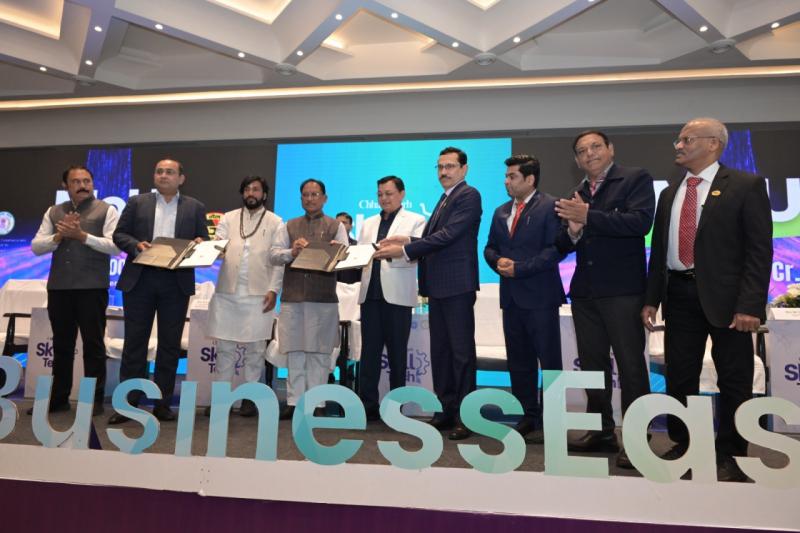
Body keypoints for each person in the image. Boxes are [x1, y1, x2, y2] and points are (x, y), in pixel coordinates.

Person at [642, 117, 772, 482]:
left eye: (687, 139)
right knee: (680, 376)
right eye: (679, 139)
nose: (678, 145)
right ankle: (685, 444)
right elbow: (660, 251)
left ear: (713, 143)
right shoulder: (670, 193)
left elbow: (759, 251)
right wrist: (652, 298)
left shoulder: (745, 185)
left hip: (729, 302)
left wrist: (750, 305)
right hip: (679, 295)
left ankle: (732, 452)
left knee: (734, 378)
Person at [555, 130, 654, 468]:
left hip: (623, 290)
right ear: (576, 159)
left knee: (630, 366)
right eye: (582, 150)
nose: (589, 154)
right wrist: (572, 232)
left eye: (596, 146)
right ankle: (601, 431)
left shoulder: (635, 179)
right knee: (592, 365)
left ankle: (638, 439)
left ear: (611, 149)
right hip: (586, 292)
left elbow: (639, 223)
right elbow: (561, 244)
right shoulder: (576, 193)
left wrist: (588, 217)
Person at [374, 147, 482, 440]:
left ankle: (466, 416)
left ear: (464, 169)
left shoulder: (468, 195)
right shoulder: (445, 198)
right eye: (440, 167)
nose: (444, 172)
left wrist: (405, 248)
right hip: (438, 287)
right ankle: (446, 410)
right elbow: (436, 237)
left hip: (457, 285)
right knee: (441, 352)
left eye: (450, 166)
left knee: (461, 353)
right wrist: (408, 239)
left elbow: (449, 236)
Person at [109, 158, 209, 424]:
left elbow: (204, 240)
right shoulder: (136, 203)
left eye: (170, 172)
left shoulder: (195, 207)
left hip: (175, 282)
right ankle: (127, 404)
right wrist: (135, 245)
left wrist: (199, 243)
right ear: (154, 176)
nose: (164, 175)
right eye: (159, 171)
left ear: (181, 178)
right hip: (140, 279)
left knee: (169, 345)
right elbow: (119, 235)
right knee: (135, 344)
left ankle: (162, 404)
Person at [484, 155, 564, 444]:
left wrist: (521, 268)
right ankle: (527, 416)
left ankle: (554, 419)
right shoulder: (500, 211)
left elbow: (556, 249)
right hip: (511, 298)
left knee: (549, 361)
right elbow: (489, 248)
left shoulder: (551, 206)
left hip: (540, 296)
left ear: (530, 179)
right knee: (519, 362)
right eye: (506, 176)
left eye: (512, 176)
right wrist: (497, 262)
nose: (506, 181)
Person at [30, 165, 119, 416]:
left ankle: (93, 401)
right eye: (76, 181)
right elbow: (36, 247)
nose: (83, 186)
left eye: (87, 181)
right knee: (61, 345)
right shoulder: (53, 211)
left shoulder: (107, 209)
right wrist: (58, 237)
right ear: (65, 186)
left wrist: (82, 236)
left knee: (93, 345)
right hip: (59, 287)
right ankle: (59, 399)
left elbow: (115, 247)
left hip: (92, 287)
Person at [205, 176, 284, 417]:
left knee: (255, 351)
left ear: (264, 195)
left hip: (260, 294)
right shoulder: (228, 218)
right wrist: (209, 248)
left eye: (256, 189)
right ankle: (221, 400)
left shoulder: (276, 221)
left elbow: (279, 261)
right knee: (225, 351)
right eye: (247, 189)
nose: (251, 193)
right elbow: (218, 246)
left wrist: (274, 290)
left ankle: (251, 398)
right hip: (227, 293)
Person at [270, 179, 348, 419]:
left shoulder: (336, 226)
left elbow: (345, 257)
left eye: (315, 194)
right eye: (306, 194)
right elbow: (273, 255)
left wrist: (333, 251)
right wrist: (292, 252)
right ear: (301, 198)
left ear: (325, 198)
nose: (310, 198)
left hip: (323, 298)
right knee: (294, 351)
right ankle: (294, 402)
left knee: (320, 352)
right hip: (293, 298)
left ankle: (318, 401)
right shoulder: (289, 225)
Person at [357, 176, 426, 420]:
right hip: (370, 295)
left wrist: (392, 253)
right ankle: (368, 405)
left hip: (397, 297)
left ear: (402, 194)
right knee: (369, 354)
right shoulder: (368, 223)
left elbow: (418, 254)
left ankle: (396, 407)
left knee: (397, 354)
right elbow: (361, 255)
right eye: (380, 194)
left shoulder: (416, 220)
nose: (384, 198)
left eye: (389, 193)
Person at [335, 212, 360, 284]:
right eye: (338, 223)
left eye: (344, 223)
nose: (340, 225)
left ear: (351, 227)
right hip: (330, 285)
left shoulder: (357, 245)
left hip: (350, 286)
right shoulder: (328, 244)